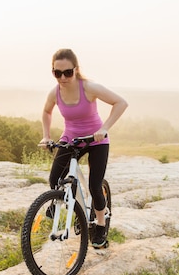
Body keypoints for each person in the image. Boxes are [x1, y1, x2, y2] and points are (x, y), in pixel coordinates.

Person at [39, 48, 128, 248]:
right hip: (71, 139)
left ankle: (100, 225)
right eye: (57, 73)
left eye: (67, 72)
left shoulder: (88, 87)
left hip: (96, 140)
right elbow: (46, 112)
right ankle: (77, 211)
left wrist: (104, 128)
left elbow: (121, 103)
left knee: (95, 186)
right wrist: (46, 136)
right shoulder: (55, 92)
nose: (62, 77)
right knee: (55, 179)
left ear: (76, 69)